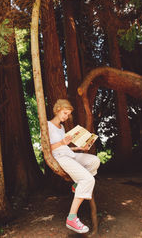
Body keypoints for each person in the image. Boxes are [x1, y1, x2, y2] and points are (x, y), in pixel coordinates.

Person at [48, 99, 100, 234]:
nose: (66, 117)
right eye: (65, 113)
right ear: (58, 109)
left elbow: (65, 146)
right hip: (61, 157)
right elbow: (47, 148)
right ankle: (71, 218)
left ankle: (76, 185)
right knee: (89, 180)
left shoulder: (62, 127)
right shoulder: (47, 125)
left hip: (70, 154)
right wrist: (62, 142)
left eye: (68, 114)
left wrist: (79, 147)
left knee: (94, 160)